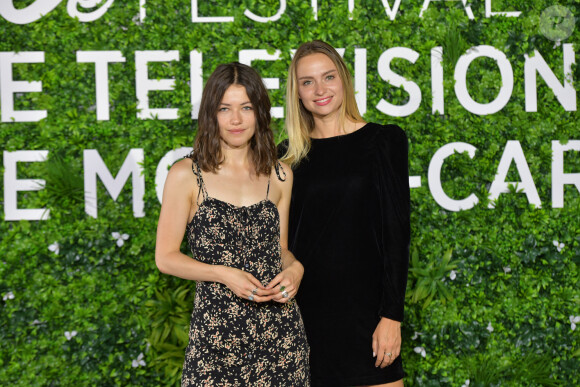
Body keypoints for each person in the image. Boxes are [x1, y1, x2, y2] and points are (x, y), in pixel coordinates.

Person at [155, 62, 310, 386]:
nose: (236, 120)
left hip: (281, 339)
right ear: (211, 113)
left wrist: (295, 269)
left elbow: (279, 250)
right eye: (225, 108)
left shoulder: (281, 173)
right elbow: (166, 257)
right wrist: (223, 274)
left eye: (246, 108)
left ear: (260, 112)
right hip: (216, 341)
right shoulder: (185, 174)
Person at [279, 40, 410, 386]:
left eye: (328, 77)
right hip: (302, 319)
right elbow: (276, 241)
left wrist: (391, 316)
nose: (320, 89)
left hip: (368, 318)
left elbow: (397, 235)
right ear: (298, 93)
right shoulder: (284, 157)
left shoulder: (384, 142)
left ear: (344, 81)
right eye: (307, 82)